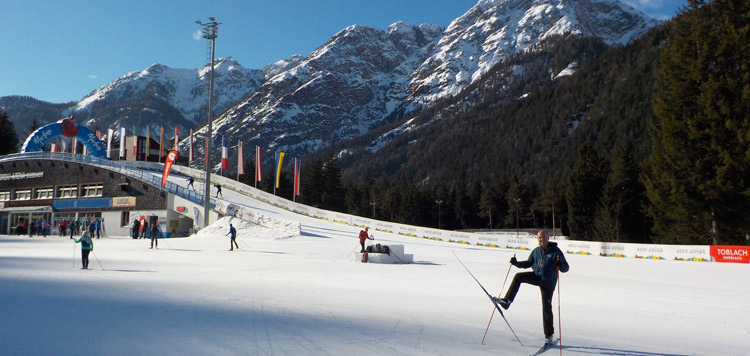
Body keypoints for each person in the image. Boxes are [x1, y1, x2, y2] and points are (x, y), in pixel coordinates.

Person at [493, 230, 569, 345]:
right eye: (539, 238)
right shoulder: (536, 251)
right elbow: (529, 263)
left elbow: (566, 268)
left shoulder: (556, 252)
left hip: (548, 283)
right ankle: (507, 301)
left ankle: (549, 335)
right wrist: (517, 263)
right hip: (537, 276)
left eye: (543, 237)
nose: (541, 240)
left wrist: (560, 265)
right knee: (518, 277)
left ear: (548, 238)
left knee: (546, 308)